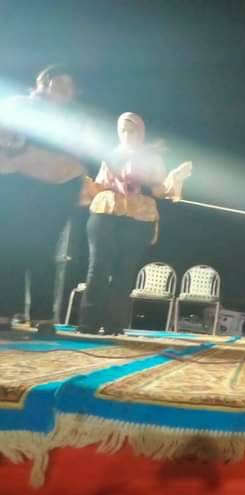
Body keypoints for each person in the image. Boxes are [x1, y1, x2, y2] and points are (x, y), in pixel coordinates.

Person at [77, 112, 191, 335]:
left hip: (139, 216)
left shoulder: (152, 158)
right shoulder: (111, 155)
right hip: (106, 211)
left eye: (132, 130)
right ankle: (88, 323)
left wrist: (174, 179)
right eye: (123, 130)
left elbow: (160, 190)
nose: (127, 134)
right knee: (98, 267)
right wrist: (85, 184)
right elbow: (100, 185)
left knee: (124, 270)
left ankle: (113, 324)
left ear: (141, 132)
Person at [0, 65, 87, 330]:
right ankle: (5, 312)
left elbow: (77, 157)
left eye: (70, 86)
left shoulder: (75, 120)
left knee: (44, 248)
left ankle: (43, 316)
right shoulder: (19, 105)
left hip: (58, 189)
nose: (64, 90)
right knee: (9, 246)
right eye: (59, 83)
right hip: (18, 185)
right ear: (43, 83)